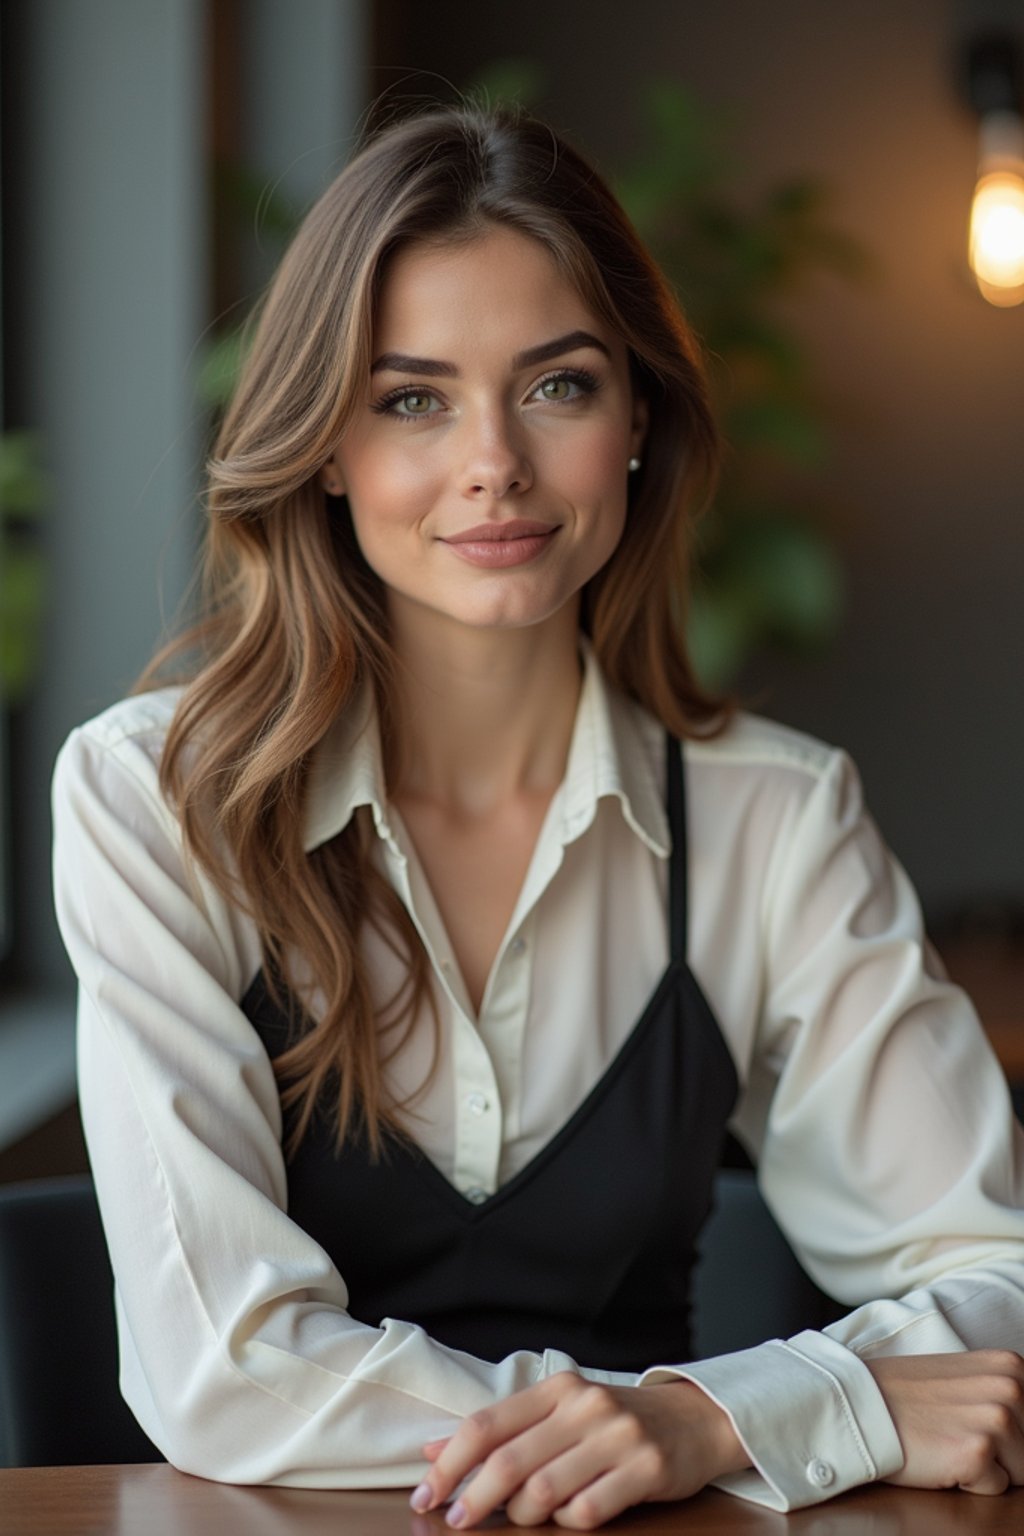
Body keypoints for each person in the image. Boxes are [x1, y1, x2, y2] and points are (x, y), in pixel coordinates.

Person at [52, 103, 1024, 1530]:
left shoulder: (775, 819)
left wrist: (701, 1423)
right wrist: (732, 1417)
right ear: (324, 448)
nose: (494, 460)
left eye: (558, 387)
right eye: (412, 398)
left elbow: (997, 1275)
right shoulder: (157, 800)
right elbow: (221, 1370)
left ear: (638, 418)